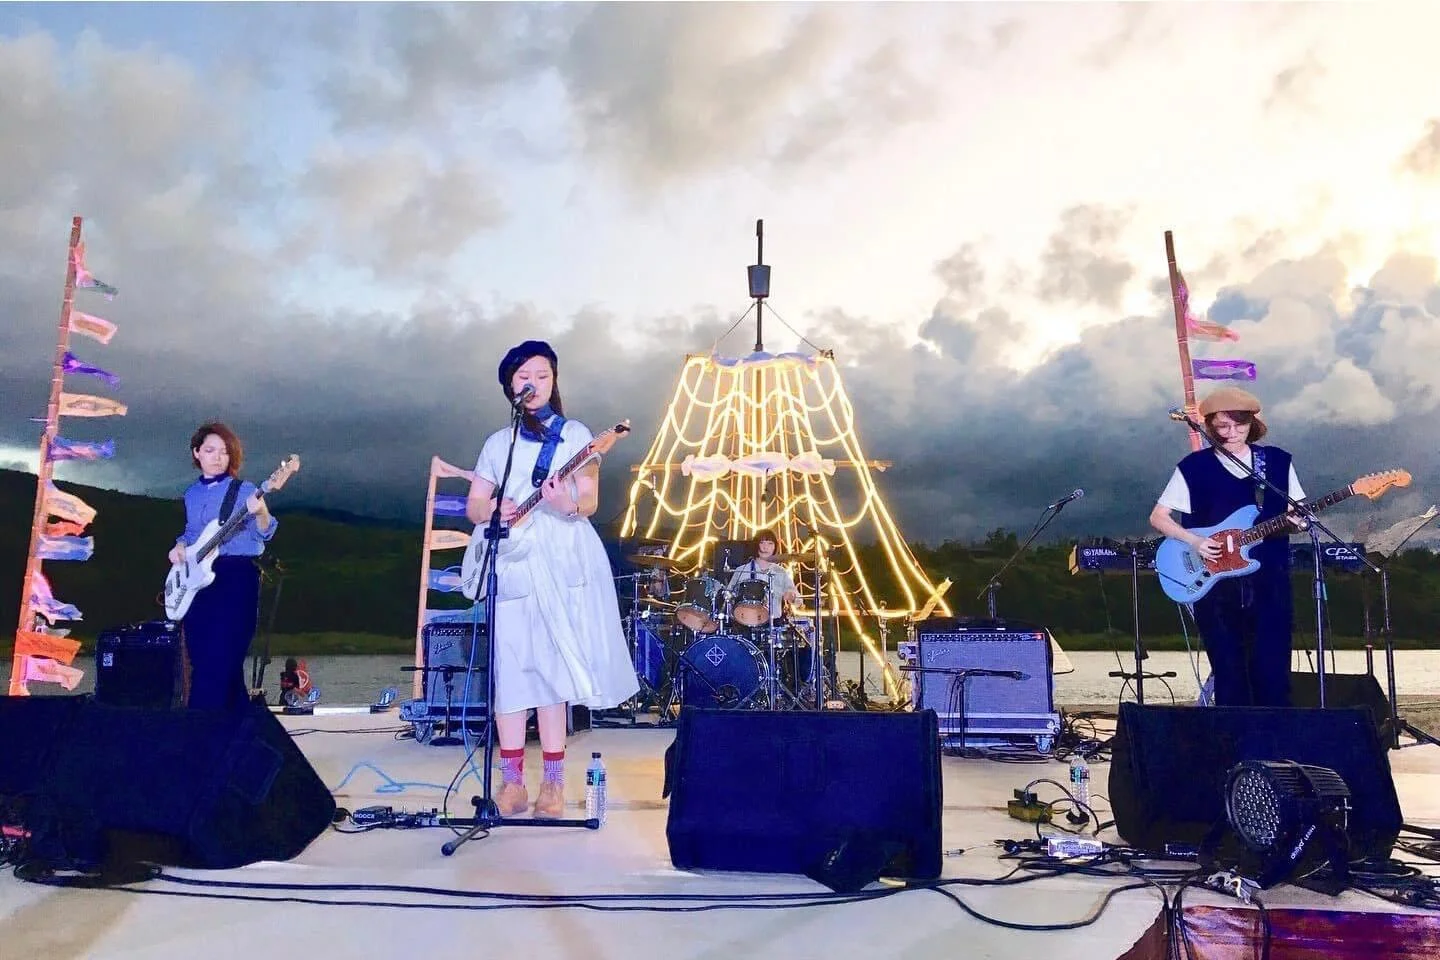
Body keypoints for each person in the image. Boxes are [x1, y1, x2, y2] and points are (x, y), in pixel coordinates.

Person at [466, 340, 639, 818]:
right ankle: (512, 783)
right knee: (510, 669)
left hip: (559, 558)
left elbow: (589, 502)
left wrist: (566, 504)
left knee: (551, 670)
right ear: (510, 386)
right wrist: (491, 510)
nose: (534, 384)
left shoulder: (576, 435)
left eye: (543, 376)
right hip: (512, 561)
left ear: (554, 382)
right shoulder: (498, 444)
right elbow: (475, 504)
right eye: (524, 376)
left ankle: (554, 784)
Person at [1148, 387, 1304, 707]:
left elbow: (1295, 511)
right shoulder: (1193, 468)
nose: (1232, 433)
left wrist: (1299, 521)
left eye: (1239, 425)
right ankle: (1232, 738)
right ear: (1210, 427)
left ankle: (1275, 737)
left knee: (1273, 672)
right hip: (1215, 585)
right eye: (1222, 426)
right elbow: (1159, 517)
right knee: (1229, 673)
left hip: (1269, 580)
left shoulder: (1276, 462)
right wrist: (1196, 541)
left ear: (1253, 423)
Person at [168, 422, 278, 711]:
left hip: (236, 577)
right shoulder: (192, 494)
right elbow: (192, 533)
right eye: (210, 450)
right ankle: (239, 727)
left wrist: (262, 511)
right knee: (203, 656)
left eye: (224, 452)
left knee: (222, 657)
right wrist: (179, 546)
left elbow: (265, 533)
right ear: (197, 453)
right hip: (198, 582)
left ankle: (198, 726)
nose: (218, 457)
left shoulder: (245, 491)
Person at [725, 528, 800, 627]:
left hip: (774, 624)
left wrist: (792, 596)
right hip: (744, 624)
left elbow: (798, 600)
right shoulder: (742, 570)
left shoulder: (781, 572)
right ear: (756, 545)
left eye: (770, 543)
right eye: (762, 543)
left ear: (775, 547)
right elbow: (728, 596)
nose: (765, 547)